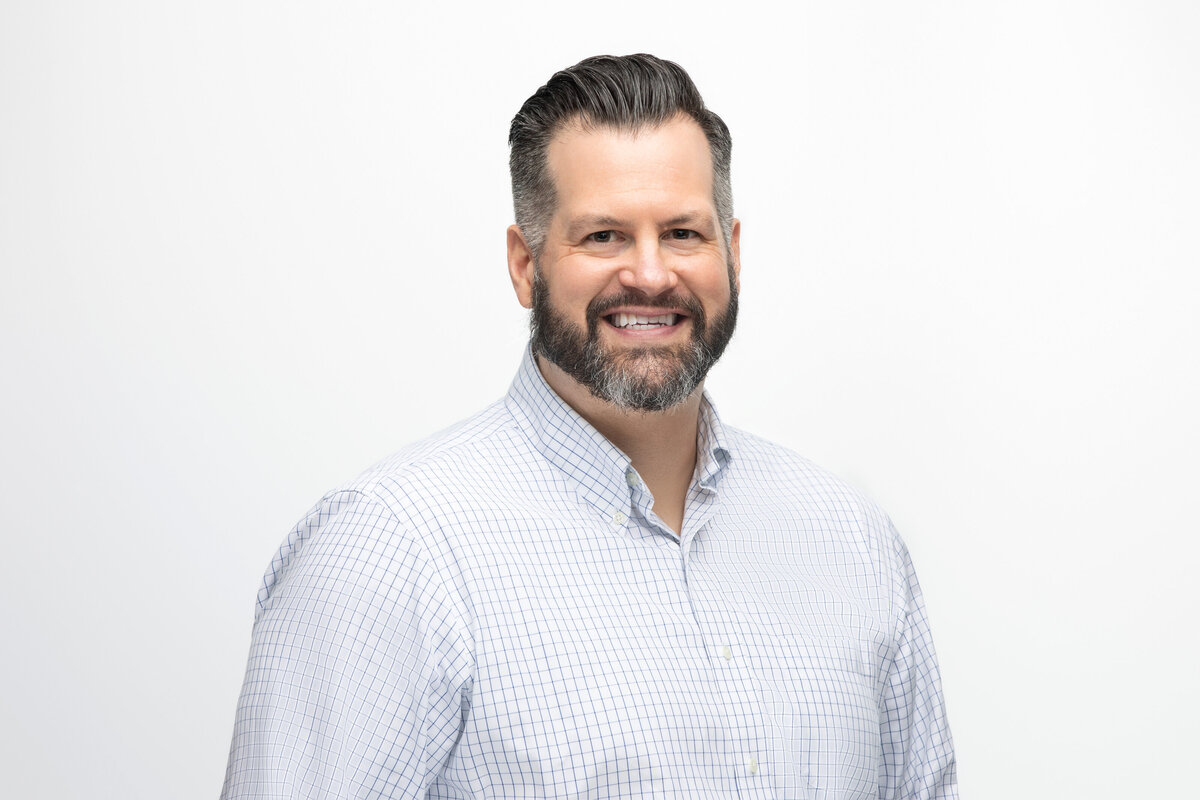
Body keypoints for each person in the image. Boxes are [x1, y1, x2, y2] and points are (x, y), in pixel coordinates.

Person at [221, 54, 957, 799]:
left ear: (732, 253)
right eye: (603, 235)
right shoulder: (387, 556)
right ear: (524, 265)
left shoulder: (853, 544)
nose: (649, 273)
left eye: (682, 233)